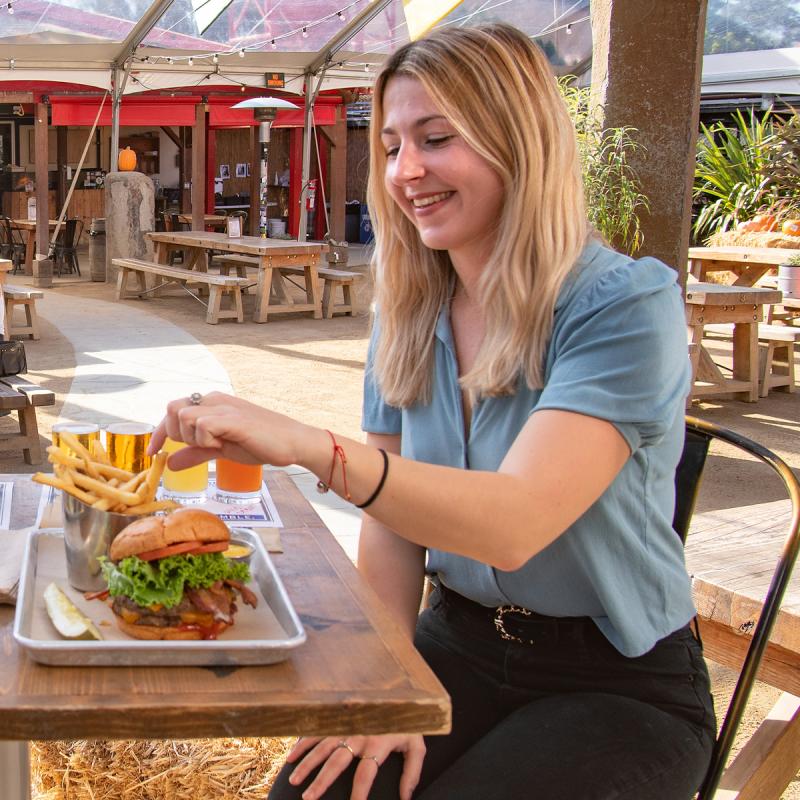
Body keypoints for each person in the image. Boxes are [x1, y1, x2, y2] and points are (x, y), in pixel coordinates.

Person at [150, 23, 715, 800]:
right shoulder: (412, 309)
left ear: (519, 142)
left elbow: (514, 524)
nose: (404, 171)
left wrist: (314, 448)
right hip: (456, 642)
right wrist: (388, 682)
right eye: (388, 147)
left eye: (437, 138)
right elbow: (392, 528)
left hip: (617, 681)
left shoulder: (621, 303)